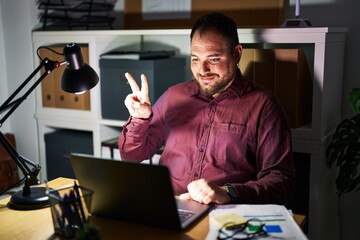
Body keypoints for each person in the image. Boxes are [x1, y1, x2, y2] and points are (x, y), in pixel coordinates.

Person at [118, 12, 295, 205]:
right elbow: (132, 156)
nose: (202, 70)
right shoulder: (173, 96)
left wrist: (229, 192)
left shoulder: (264, 105)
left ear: (236, 54)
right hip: (169, 207)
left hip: (226, 213)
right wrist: (140, 119)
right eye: (195, 59)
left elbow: (281, 183)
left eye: (213, 59)